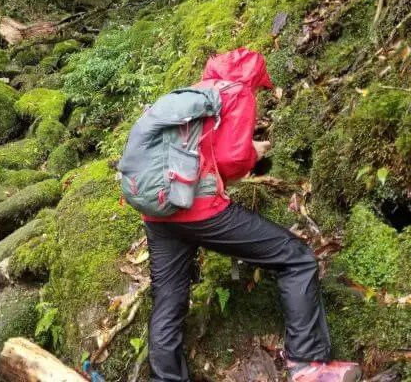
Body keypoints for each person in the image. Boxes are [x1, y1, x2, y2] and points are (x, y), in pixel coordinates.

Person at [144, 48, 362, 382]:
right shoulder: (238, 94)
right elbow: (231, 159)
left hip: (157, 212)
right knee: (297, 258)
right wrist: (253, 152)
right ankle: (307, 365)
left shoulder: (194, 94)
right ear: (254, 77)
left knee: (169, 298)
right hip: (199, 210)